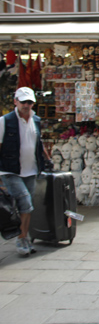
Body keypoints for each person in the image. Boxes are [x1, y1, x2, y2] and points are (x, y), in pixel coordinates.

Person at [0, 87, 49, 256]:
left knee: (26, 207)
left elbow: (38, 143)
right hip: (10, 170)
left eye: (29, 102)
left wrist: (47, 159)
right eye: (23, 102)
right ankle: (21, 238)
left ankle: (24, 236)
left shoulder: (35, 120)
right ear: (15, 101)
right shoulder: (5, 121)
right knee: (25, 202)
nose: (26, 105)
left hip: (31, 169)